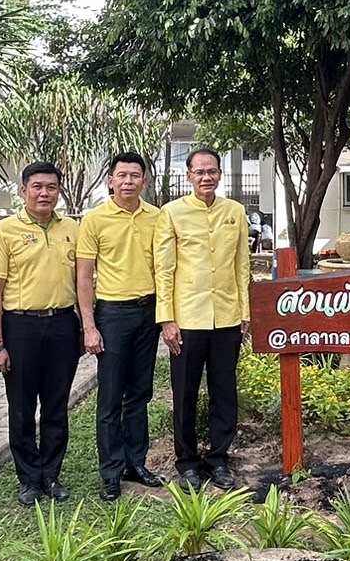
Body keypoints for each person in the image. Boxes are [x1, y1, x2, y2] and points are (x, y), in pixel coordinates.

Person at [0, 162, 82, 505]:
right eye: (37, 186)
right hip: (20, 326)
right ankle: (28, 478)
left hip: (62, 326)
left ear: (59, 191)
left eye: (51, 187)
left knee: (56, 404)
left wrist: (87, 324)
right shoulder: (6, 231)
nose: (44, 193)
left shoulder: (71, 228)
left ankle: (52, 475)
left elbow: (82, 282)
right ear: (23, 190)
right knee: (22, 407)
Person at [156, 148, 251, 491]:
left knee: (224, 392)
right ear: (189, 176)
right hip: (187, 319)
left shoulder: (235, 212)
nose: (206, 177)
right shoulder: (172, 213)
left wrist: (245, 314)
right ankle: (187, 464)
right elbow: (164, 270)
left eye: (212, 171)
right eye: (199, 172)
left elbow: (242, 266)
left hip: (226, 317)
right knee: (184, 394)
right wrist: (167, 319)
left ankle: (218, 459)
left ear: (220, 174)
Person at [78, 152, 165, 501]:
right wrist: (89, 325)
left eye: (135, 175)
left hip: (148, 313)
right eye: (122, 175)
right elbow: (83, 276)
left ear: (144, 181)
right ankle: (111, 472)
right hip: (112, 315)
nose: (128, 181)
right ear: (110, 181)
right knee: (111, 398)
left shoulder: (158, 217)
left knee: (140, 394)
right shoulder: (95, 220)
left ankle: (136, 463)